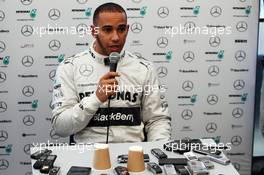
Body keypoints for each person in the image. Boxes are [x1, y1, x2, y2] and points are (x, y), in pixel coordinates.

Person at [51, 2, 171, 143]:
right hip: (87, 158)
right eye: (107, 30)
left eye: (121, 29)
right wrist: (96, 98)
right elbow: (60, 127)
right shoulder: (69, 67)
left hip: (133, 156)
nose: (116, 37)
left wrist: (157, 153)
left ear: (127, 30)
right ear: (94, 31)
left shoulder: (144, 68)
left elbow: (157, 120)